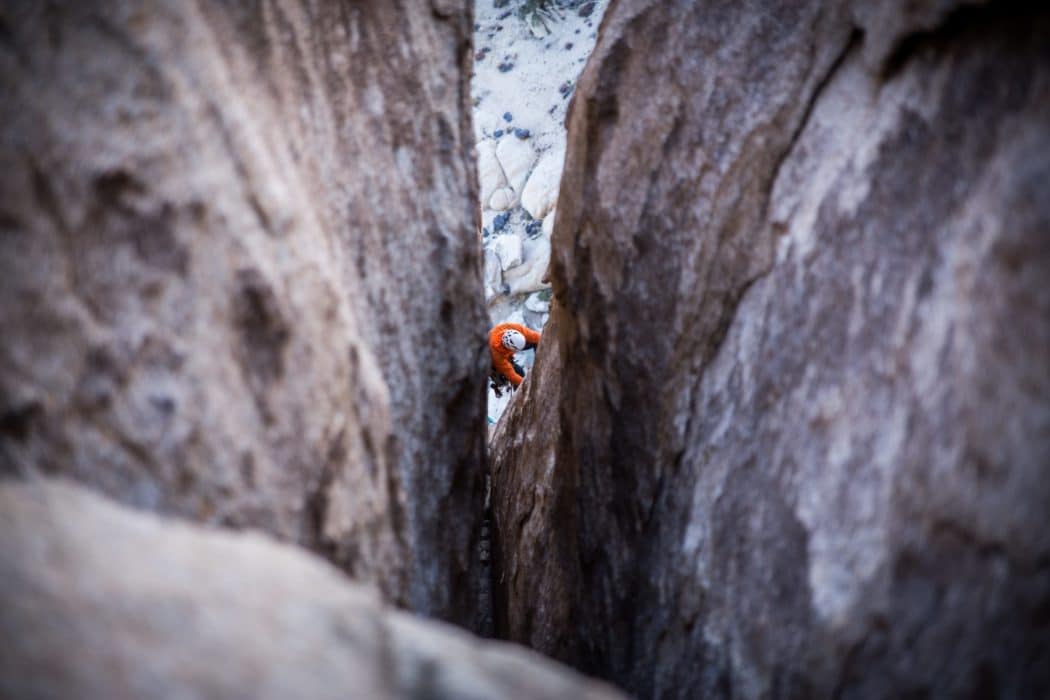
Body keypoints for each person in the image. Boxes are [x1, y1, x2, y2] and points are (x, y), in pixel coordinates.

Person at [489, 322, 541, 395]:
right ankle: (519, 396)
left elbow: (534, 336)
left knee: (536, 341)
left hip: (508, 345)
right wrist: (528, 385)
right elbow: (511, 375)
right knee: (519, 371)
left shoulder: (513, 327)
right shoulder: (496, 355)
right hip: (494, 358)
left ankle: (540, 366)